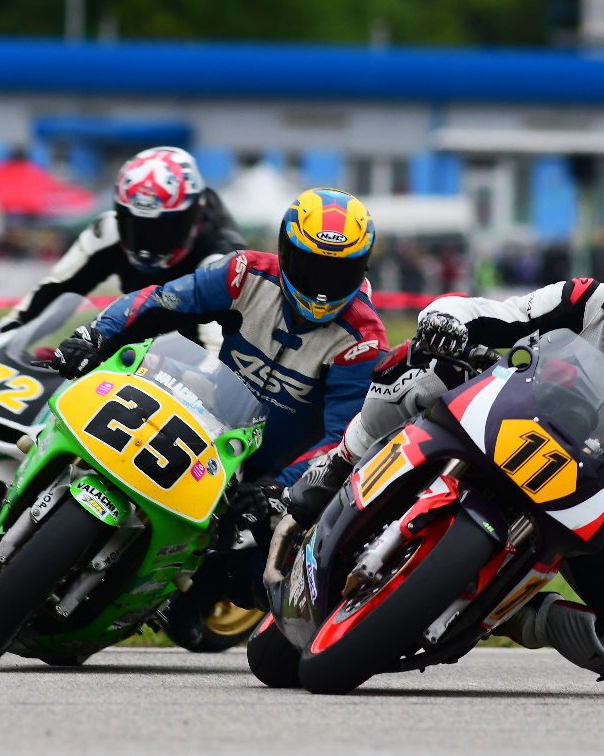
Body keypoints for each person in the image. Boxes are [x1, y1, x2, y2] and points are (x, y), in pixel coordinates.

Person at [287, 229, 604, 682]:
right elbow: (497, 314)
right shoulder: (582, 300)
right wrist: (445, 319)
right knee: (428, 365)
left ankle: (511, 611)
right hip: (504, 424)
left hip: (584, 493)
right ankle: (341, 462)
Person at [47, 188, 389, 630]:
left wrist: (281, 488)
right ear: (285, 252)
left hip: (279, 468)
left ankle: (198, 599)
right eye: (312, 267)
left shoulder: (363, 339)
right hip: (213, 411)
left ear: (362, 268)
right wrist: (96, 335)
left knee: (261, 567)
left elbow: (344, 437)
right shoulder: (245, 273)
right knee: (118, 397)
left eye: (338, 273)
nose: (322, 287)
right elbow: (162, 299)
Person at [0, 146, 246, 350]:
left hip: (207, 359)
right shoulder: (108, 231)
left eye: (164, 229)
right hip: (140, 346)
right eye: (136, 226)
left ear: (194, 216)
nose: (148, 242)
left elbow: (218, 347)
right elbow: (54, 290)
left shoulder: (221, 258)